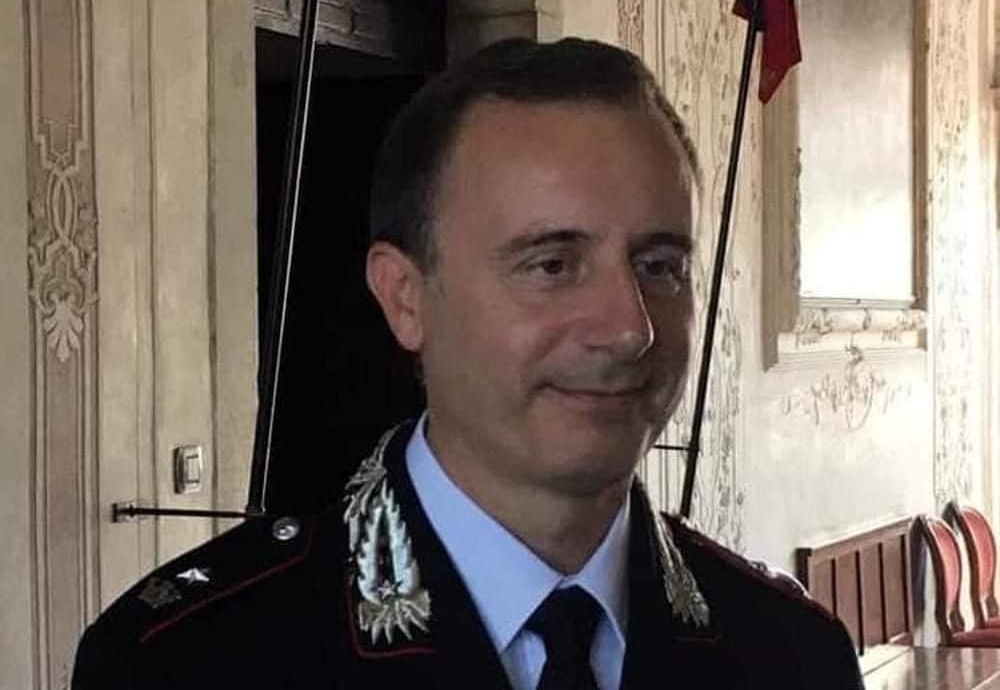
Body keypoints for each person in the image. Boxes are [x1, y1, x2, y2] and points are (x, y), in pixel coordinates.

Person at [72, 38, 863, 689]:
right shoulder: (188, 661)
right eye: (552, 265)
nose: (630, 329)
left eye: (660, 266)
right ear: (405, 298)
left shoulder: (793, 656)